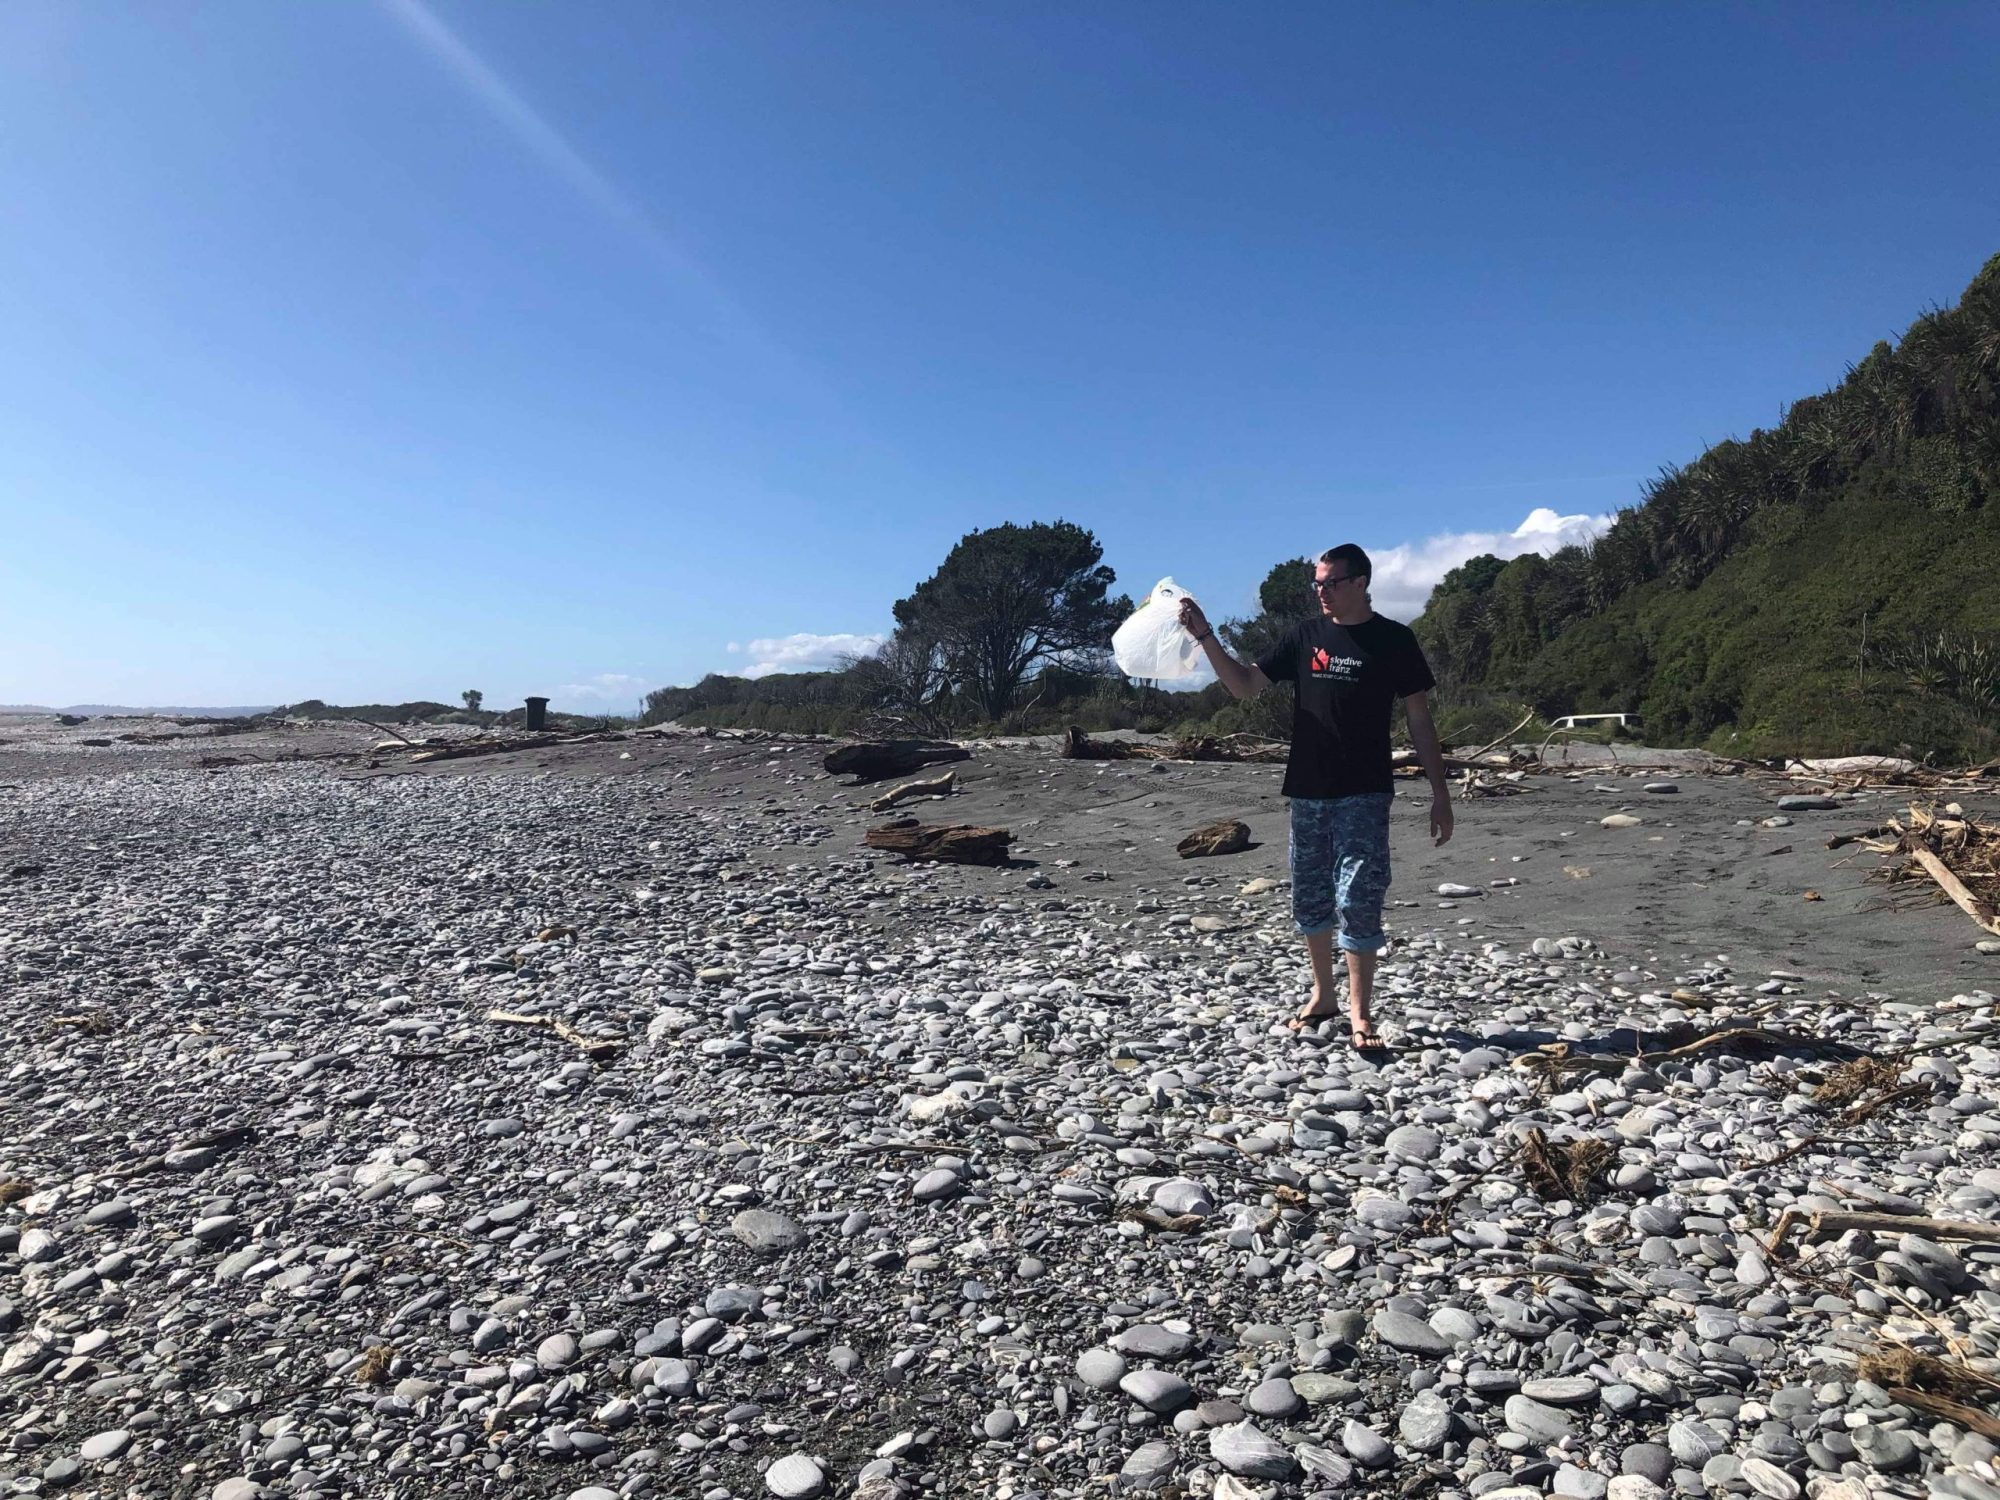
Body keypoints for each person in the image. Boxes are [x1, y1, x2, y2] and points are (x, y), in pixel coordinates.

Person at [1178, 544, 1453, 1051]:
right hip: (1308, 789)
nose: (1321, 592)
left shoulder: (1395, 640)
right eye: (1317, 584)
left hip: (1366, 791)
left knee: (1360, 897)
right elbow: (1243, 687)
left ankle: (1360, 1011)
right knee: (1311, 896)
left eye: (1330, 583)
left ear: (1360, 582)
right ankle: (1323, 995)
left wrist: (1440, 792)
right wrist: (1205, 635)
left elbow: (1419, 720)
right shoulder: (1305, 636)